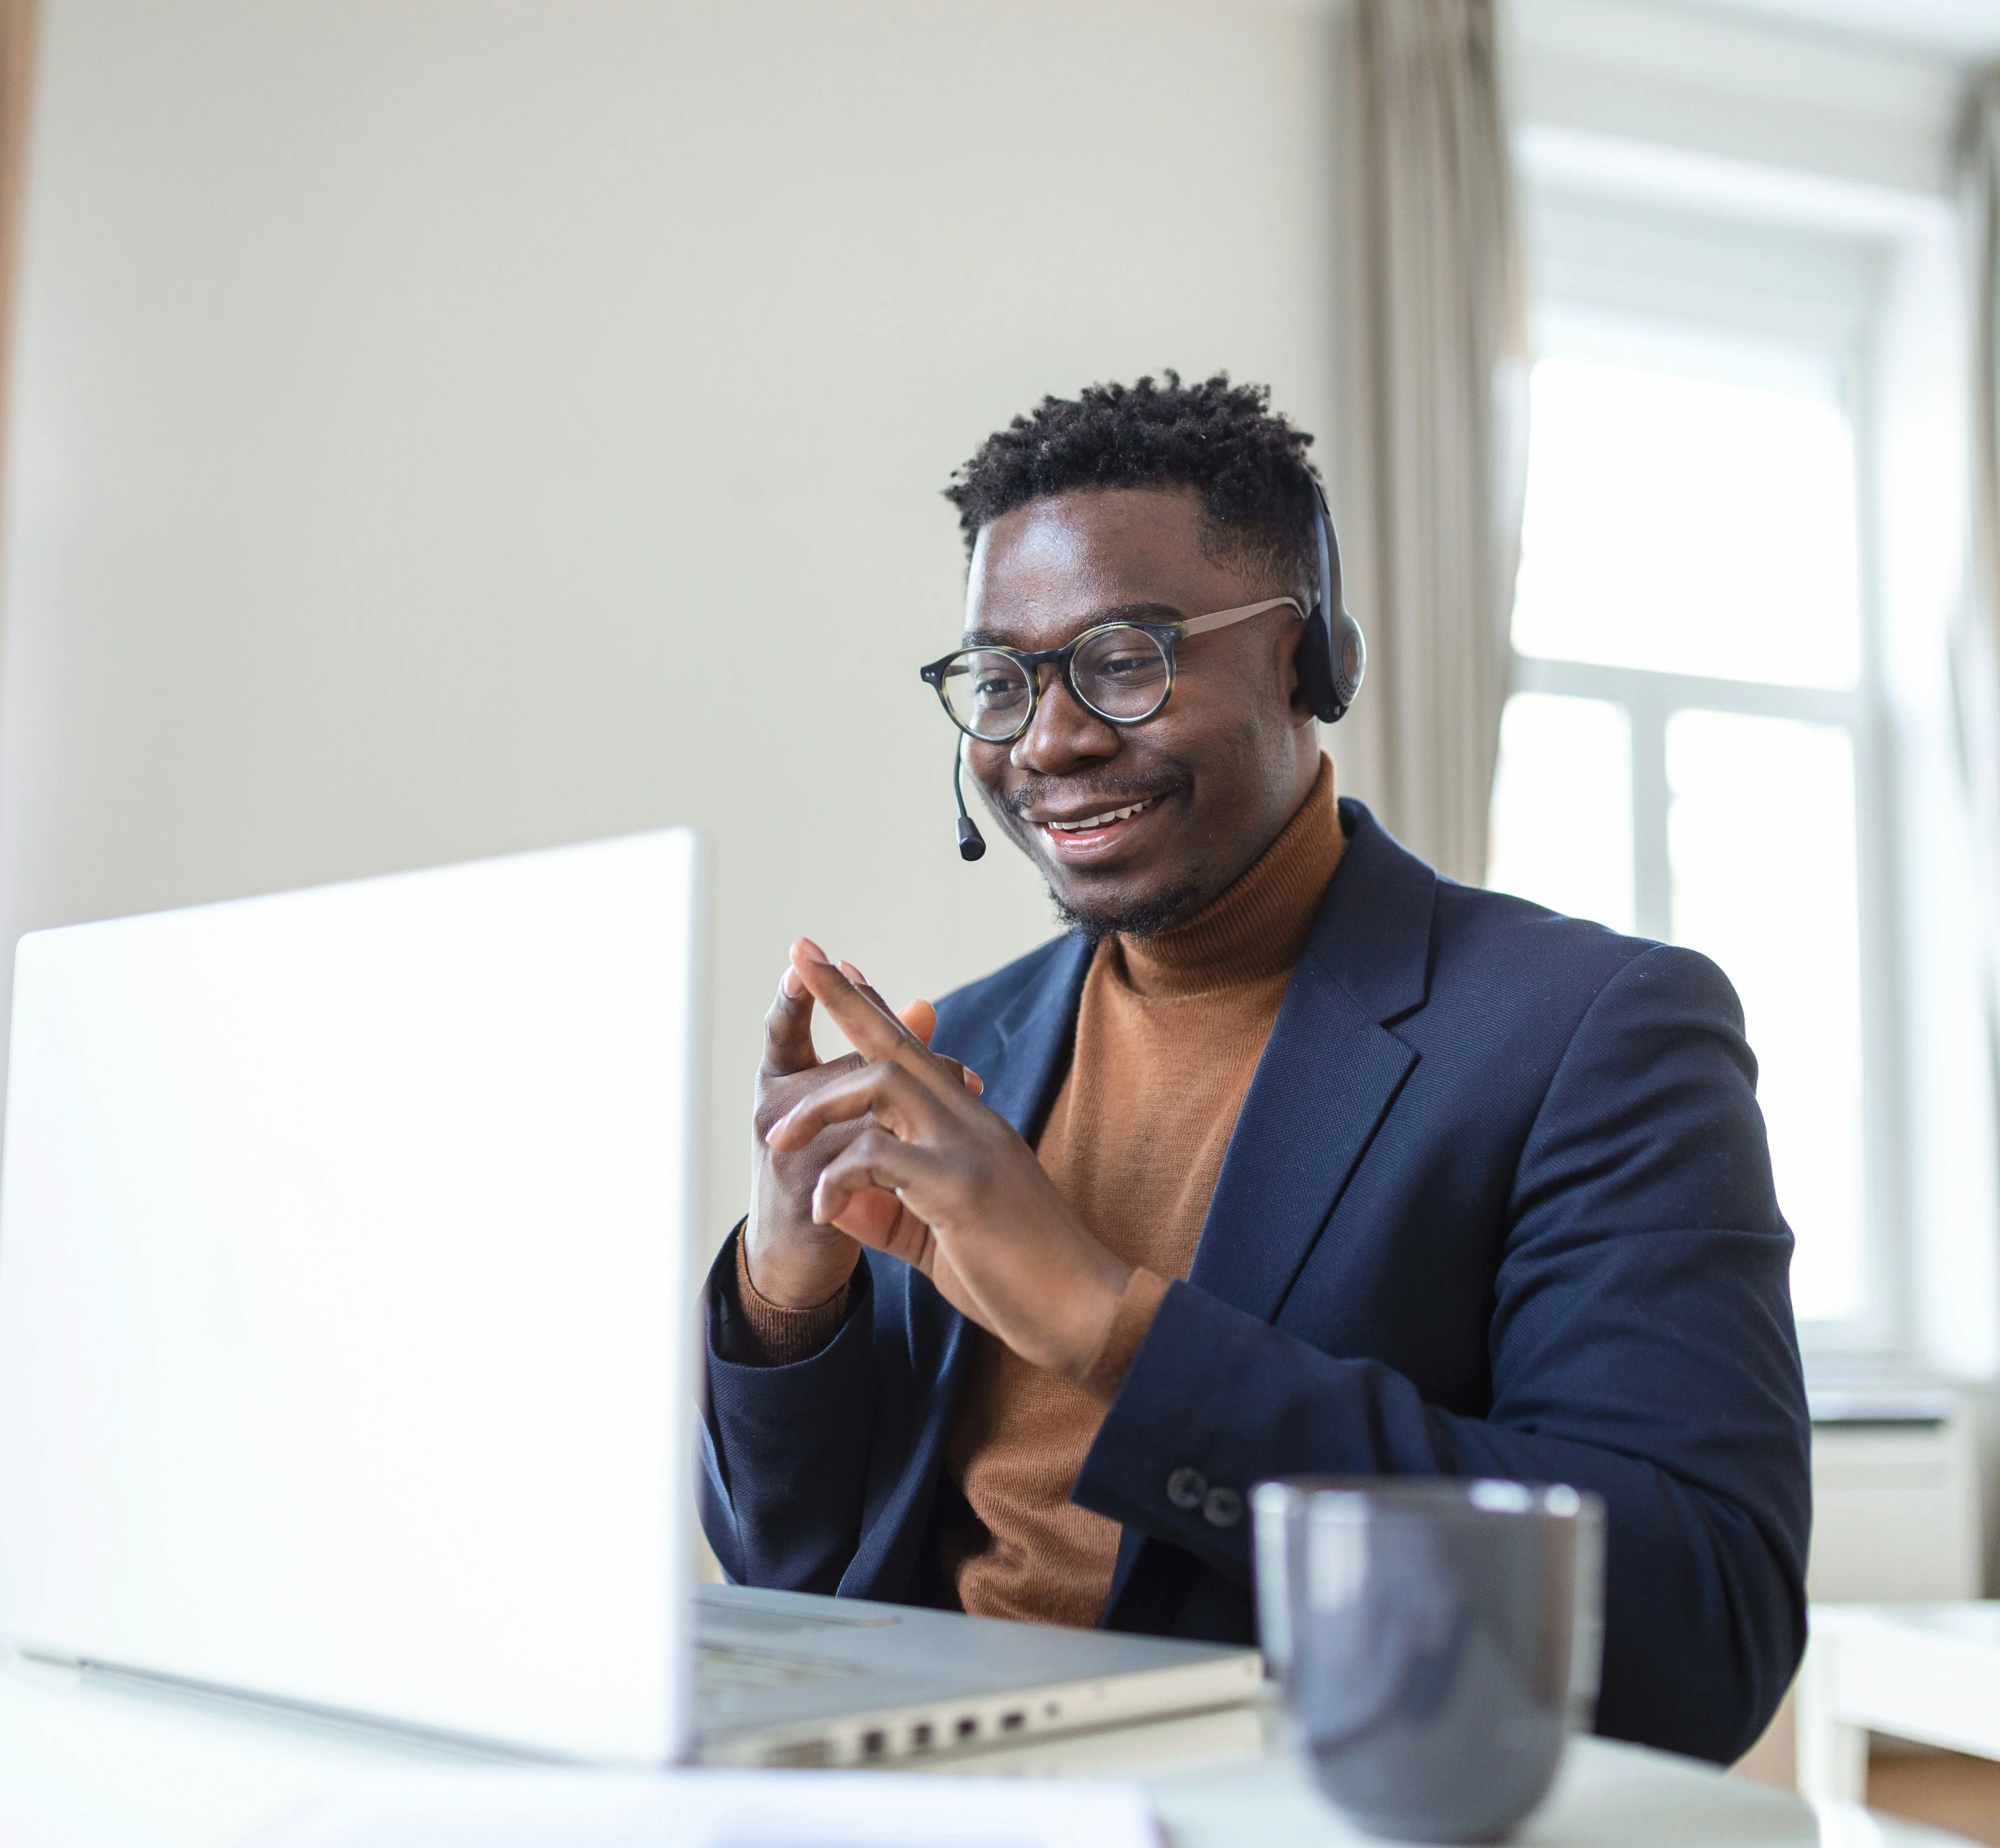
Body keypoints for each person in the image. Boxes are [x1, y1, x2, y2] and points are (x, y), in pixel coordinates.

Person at [697, 373, 1808, 1764]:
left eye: (1122, 657)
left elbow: (1702, 1631)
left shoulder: (1596, 1032)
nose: (1049, 739)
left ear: (1307, 659)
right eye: (1001, 681)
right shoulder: (958, 1053)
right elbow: (791, 1580)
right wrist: (788, 1302)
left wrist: (1114, 1326)